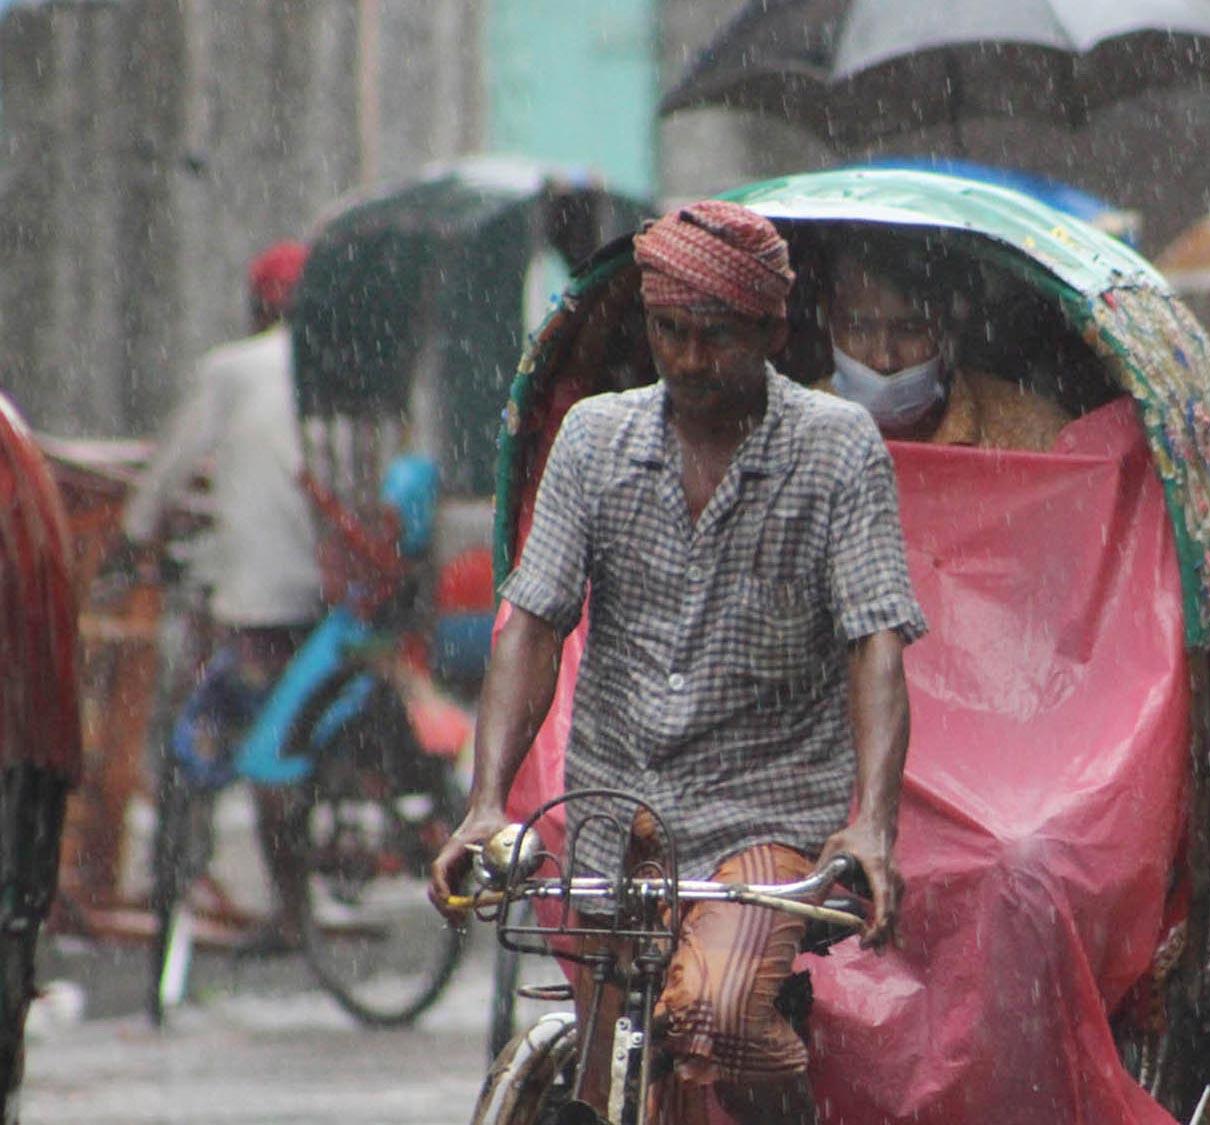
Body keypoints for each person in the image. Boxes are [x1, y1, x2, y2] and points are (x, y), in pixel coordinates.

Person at [427, 201, 926, 1125]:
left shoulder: (836, 447)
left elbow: (876, 643)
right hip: (616, 809)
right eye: (669, 333)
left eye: (715, 337)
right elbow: (533, 621)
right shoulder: (594, 439)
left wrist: (874, 826)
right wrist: (487, 802)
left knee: (718, 1016)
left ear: (774, 331)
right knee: (610, 1069)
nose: (690, 360)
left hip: (765, 810)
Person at [119, 239, 322, 949]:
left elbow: (171, 466)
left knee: (251, 739)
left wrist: (135, 530)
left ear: (259, 302)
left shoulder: (233, 371)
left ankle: (288, 909)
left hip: (262, 594)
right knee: (298, 727)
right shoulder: (340, 367)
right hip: (329, 591)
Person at [816, 239, 1072, 450]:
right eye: (860, 329)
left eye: (909, 331)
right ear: (829, 321)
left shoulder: (1033, 433)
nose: (884, 360)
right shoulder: (792, 432)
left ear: (947, 327)